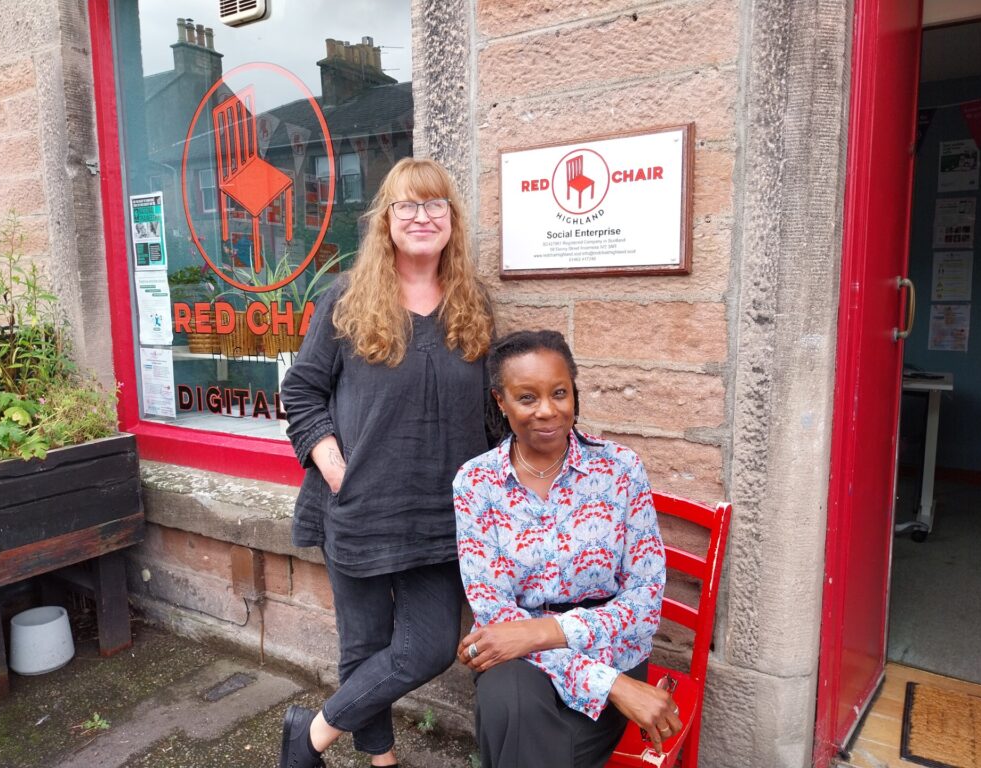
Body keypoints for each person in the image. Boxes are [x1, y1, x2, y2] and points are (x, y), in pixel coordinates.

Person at [278, 157, 495, 768]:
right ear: (387, 220)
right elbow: (301, 391)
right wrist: (331, 462)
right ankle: (381, 760)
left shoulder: (472, 305)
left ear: (451, 220)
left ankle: (310, 734)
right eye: (407, 205)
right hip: (359, 509)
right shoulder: (345, 299)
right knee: (365, 645)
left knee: (427, 649)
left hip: (439, 519)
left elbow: (492, 413)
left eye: (434, 206)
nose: (421, 217)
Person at [453, 330, 681, 768]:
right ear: (500, 401)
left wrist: (543, 633)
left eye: (559, 393)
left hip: (611, 647)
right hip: (520, 660)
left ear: (574, 392)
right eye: (526, 398)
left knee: (518, 745)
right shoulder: (475, 483)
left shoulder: (619, 469)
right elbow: (494, 613)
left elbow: (645, 597)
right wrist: (612, 687)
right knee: (509, 705)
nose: (547, 411)